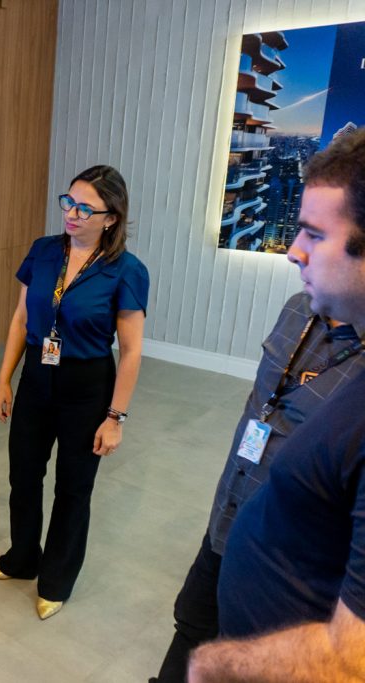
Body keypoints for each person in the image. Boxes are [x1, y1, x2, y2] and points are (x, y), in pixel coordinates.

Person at [188, 128, 365, 681]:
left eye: (315, 233)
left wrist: (217, 665)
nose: (293, 251)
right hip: (228, 523)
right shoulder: (298, 308)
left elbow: (351, 657)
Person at [150, 290, 365, 683]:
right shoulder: (299, 306)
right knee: (192, 625)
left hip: (289, 565)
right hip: (229, 515)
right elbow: (260, 402)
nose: (296, 257)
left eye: (316, 246)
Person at [0, 165, 149, 620]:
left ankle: (56, 580)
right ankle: (22, 558)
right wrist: (4, 378)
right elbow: (21, 318)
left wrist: (115, 418)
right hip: (37, 375)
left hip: (87, 385)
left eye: (85, 209)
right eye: (68, 203)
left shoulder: (126, 271)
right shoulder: (43, 251)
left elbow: (132, 351)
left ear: (111, 218)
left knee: (73, 488)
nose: (72, 214)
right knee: (23, 475)